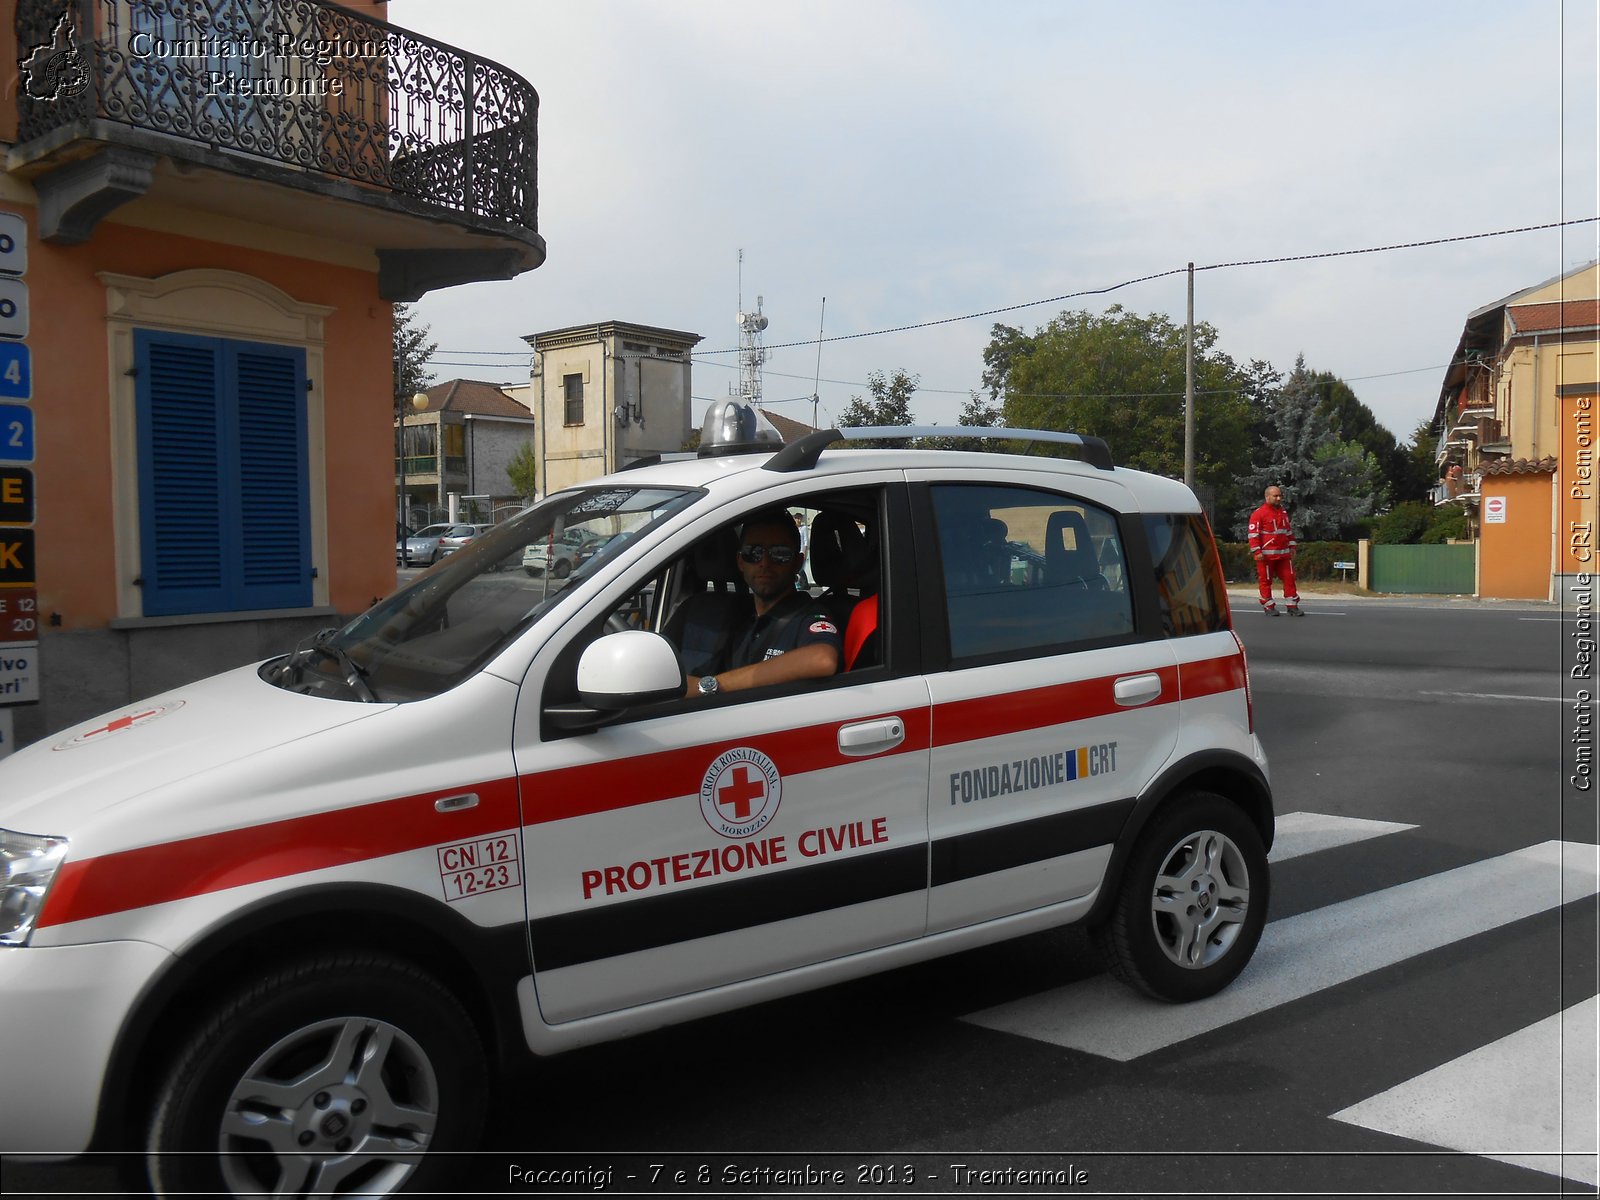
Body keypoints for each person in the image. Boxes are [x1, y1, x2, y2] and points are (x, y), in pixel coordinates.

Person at [685, 508, 841, 698]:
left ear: (798, 562)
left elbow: (822, 659)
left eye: (779, 553)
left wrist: (711, 686)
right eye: (753, 553)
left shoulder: (809, 616)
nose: (765, 563)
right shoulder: (732, 618)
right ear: (740, 561)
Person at [1247, 484, 1302, 616]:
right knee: (1265, 581)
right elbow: (1253, 534)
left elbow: (1288, 531)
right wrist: (1257, 551)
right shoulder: (1258, 514)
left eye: (1280, 496)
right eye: (1275, 496)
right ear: (1267, 497)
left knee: (1290, 578)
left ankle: (1292, 606)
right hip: (1266, 556)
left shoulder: (1282, 513)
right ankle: (1269, 607)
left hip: (1283, 555)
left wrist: (1292, 546)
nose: (1279, 498)